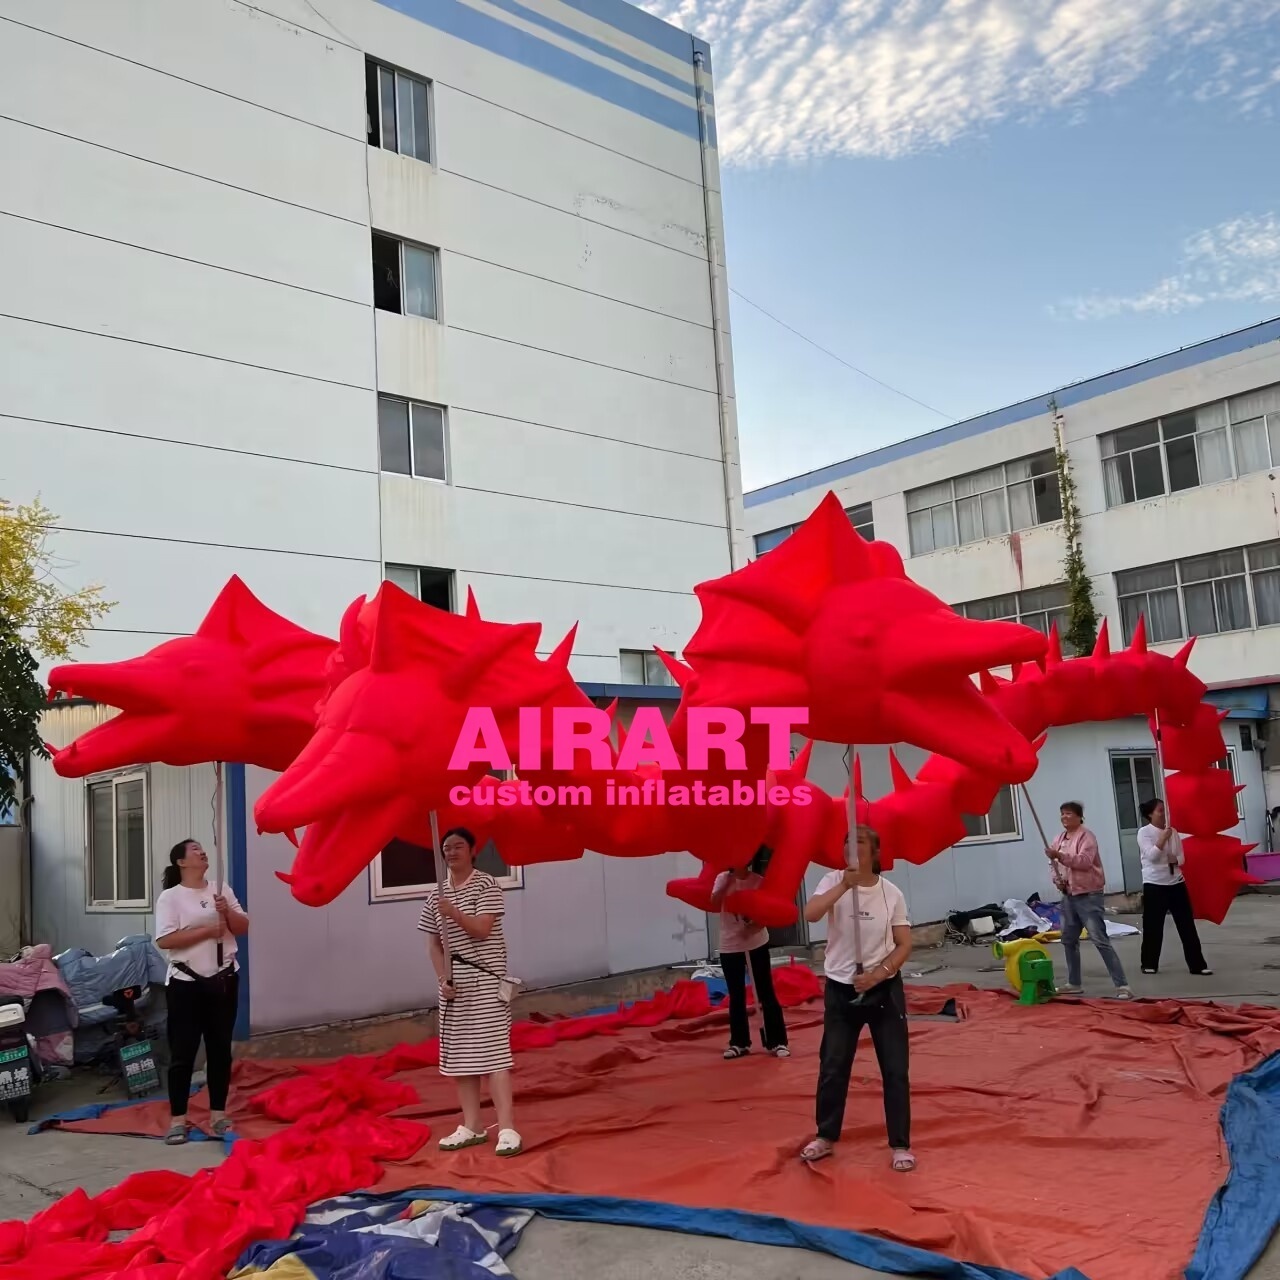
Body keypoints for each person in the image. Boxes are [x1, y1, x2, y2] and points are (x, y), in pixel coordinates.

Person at [800, 826, 915, 1172]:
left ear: (874, 852)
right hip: (841, 988)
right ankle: (825, 1135)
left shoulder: (890, 893)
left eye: (860, 842)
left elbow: (905, 943)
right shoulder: (831, 880)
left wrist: (880, 973)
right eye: (847, 841)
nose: (853, 847)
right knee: (833, 1065)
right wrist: (843, 886)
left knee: (895, 1068)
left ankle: (900, 1144)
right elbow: (811, 914)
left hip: (882, 990)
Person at [419, 827, 521, 1156]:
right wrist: (442, 978)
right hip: (454, 988)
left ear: (472, 850)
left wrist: (455, 914)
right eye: (446, 848)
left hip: (487, 982)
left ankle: (506, 1128)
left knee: (495, 1056)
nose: (451, 852)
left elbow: (482, 929)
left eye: (458, 846)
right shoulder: (436, 893)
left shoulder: (487, 884)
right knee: (461, 1060)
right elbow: (433, 943)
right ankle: (472, 1125)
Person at [154, 838, 249, 1144]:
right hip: (186, 983)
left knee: (220, 1048)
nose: (201, 851)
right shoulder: (171, 897)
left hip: (223, 978)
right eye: (193, 849)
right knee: (183, 1051)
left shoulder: (221, 888)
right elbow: (165, 940)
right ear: (181, 862)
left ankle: (218, 1114)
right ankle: (178, 1119)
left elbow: (243, 926)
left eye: (201, 847)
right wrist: (208, 930)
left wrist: (226, 912)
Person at [1046, 802, 1132, 999]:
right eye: (1062, 814)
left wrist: (1059, 856)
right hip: (1068, 895)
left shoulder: (1087, 837)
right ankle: (1074, 982)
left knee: (1099, 939)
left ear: (1079, 817)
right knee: (1068, 939)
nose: (1064, 817)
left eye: (1068, 814)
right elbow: (1052, 864)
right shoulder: (1058, 839)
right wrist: (1056, 880)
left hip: (1088, 895)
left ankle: (1122, 985)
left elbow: (1084, 862)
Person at [709, 847, 789, 1060]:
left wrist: (755, 925)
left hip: (755, 943)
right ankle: (739, 1042)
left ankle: (778, 1041)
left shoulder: (758, 881)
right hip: (730, 945)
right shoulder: (721, 879)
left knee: (765, 991)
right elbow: (714, 904)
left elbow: (766, 912)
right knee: (736, 995)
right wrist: (728, 881)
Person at [1137, 798, 1211, 976]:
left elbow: (1181, 858)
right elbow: (1152, 857)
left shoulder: (1174, 832)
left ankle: (1197, 964)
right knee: (1153, 926)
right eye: (1160, 811)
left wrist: (1175, 859)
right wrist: (1162, 839)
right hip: (1154, 884)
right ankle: (1149, 963)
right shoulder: (1144, 833)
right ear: (1150, 814)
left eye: (1165, 810)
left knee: (1186, 925)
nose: (1164, 814)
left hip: (1176, 882)